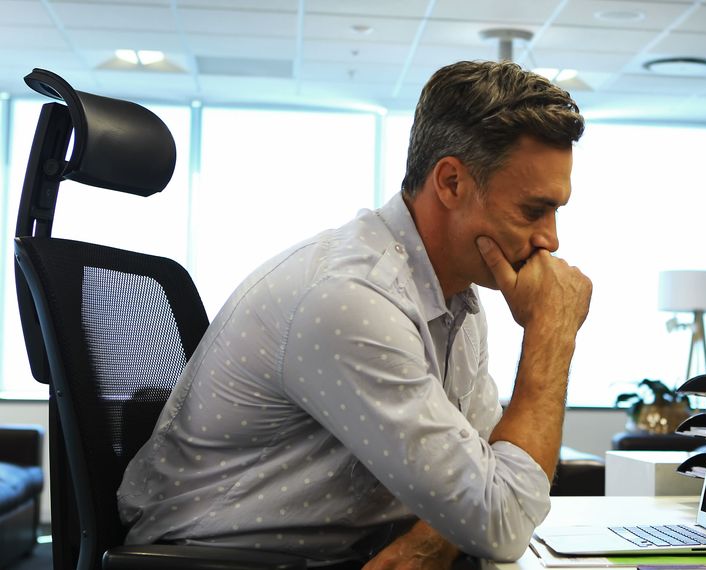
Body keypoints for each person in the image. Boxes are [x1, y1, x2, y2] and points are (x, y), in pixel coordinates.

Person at [118, 60, 592, 568]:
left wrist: (432, 539)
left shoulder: (454, 297)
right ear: (451, 182)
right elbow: (501, 520)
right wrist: (552, 332)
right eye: (533, 211)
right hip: (219, 560)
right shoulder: (354, 300)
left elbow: (487, 473)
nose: (551, 239)